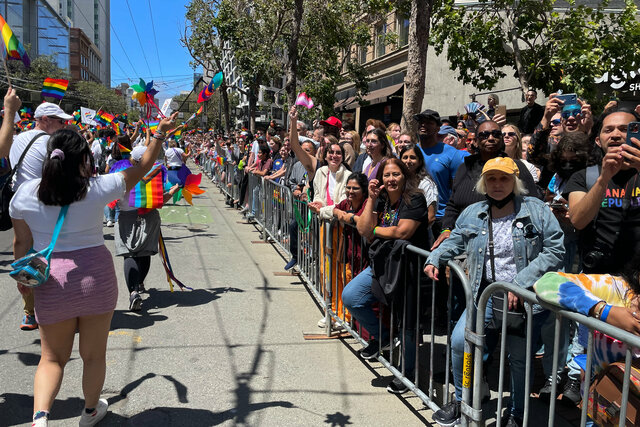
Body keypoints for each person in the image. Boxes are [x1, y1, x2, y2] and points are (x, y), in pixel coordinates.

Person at [9, 112, 178, 427]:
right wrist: (159, 134)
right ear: (84, 158)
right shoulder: (99, 187)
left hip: (50, 280)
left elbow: (22, 243)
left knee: (51, 358)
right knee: (93, 355)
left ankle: (40, 419)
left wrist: (24, 281)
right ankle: (89, 412)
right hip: (96, 278)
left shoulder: (25, 194)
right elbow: (142, 168)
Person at [424, 157, 564, 427]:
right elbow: (455, 240)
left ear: (515, 181)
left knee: (518, 358)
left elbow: (556, 249)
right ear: (483, 183)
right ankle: (463, 399)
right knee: (458, 342)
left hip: (521, 300)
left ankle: (517, 411)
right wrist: (436, 257)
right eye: (491, 179)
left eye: (503, 178)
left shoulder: (536, 210)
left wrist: (521, 282)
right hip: (484, 293)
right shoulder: (473, 212)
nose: (497, 184)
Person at [342, 158, 430, 394]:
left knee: (407, 326)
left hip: (408, 270)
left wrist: (374, 230)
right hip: (382, 264)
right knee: (351, 297)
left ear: (404, 176)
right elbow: (362, 229)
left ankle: (407, 374)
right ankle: (381, 337)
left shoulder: (415, 199)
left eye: (396, 174)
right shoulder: (380, 200)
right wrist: (370, 199)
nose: (391, 179)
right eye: (386, 175)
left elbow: (403, 231)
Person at [1, 93, 72, 331]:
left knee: (22, 250)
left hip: (18, 204)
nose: (65, 125)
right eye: (61, 121)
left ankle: (28, 311)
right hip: (44, 204)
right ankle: (53, 306)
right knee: (51, 253)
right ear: (45, 120)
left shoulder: (17, 138)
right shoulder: (50, 144)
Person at [114, 142, 180, 311]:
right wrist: (171, 193)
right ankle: (139, 283)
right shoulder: (154, 175)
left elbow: (110, 197)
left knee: (129, 254)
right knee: (144, 253)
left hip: (126, 218)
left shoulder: (120, 175)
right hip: (149, 218)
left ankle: (133, 291)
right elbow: (158, 202)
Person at [413, 109, 468, 238]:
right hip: (412, 217)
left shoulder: (451, 154)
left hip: (441, 220)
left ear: (438, 128)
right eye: (421, 121)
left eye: (428, 122)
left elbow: (458, 189)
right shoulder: (410, 153)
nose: (423, 125)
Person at [399, 146, 437, 226]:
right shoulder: (398, 181)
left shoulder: (426, 183)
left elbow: (431, 216)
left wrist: (411, 230)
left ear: (419, 161)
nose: (408, 161)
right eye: (405, 157)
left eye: (412, 157)